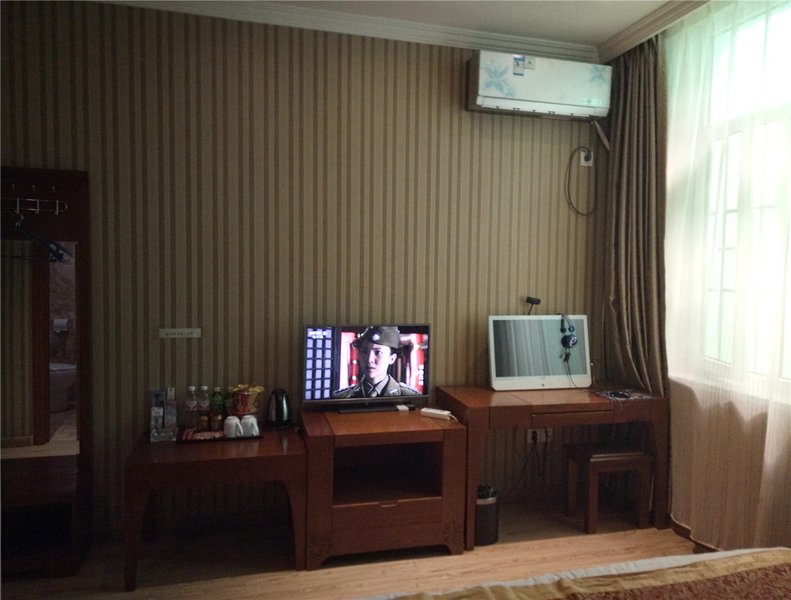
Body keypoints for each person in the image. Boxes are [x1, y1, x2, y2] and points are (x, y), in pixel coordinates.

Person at [332, 326, 420, 398]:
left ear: (392, 359)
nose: (369, 359)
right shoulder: (342, 397)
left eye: (378, 352)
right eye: (364, 352)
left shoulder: (410, 397)